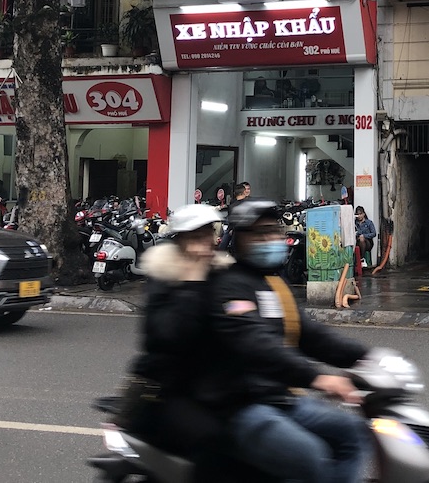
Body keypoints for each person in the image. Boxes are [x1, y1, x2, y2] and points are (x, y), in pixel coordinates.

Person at [210, 199, 371, 483]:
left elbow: (308, 334)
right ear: (238, 239)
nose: (269, 239)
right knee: (308, 455)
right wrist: (319, 378)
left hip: (280, 399)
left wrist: (366, 358)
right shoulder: (228, 286)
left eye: (272, 231)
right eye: (258, 234)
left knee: (351, 432)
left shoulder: (273, 283)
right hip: (244, 405)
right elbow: (257, 344)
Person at [119, 203, 226, 464]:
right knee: (215, 442)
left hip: (219, 385)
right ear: (180, 242)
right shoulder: (164, 276)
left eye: (208, 234)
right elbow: (166, 336)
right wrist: (192, 281)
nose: (205, 243)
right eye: (196, 237)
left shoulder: (222, 274)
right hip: (169, 389)